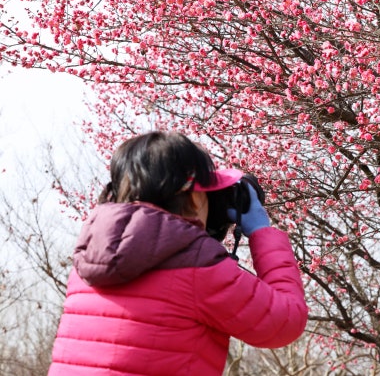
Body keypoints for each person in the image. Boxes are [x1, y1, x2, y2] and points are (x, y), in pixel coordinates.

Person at [48, 131, 308, 375]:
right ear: (195, 199)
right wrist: (263, 233)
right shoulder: (196, 262)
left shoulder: (89, 260)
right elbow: (285, 321)